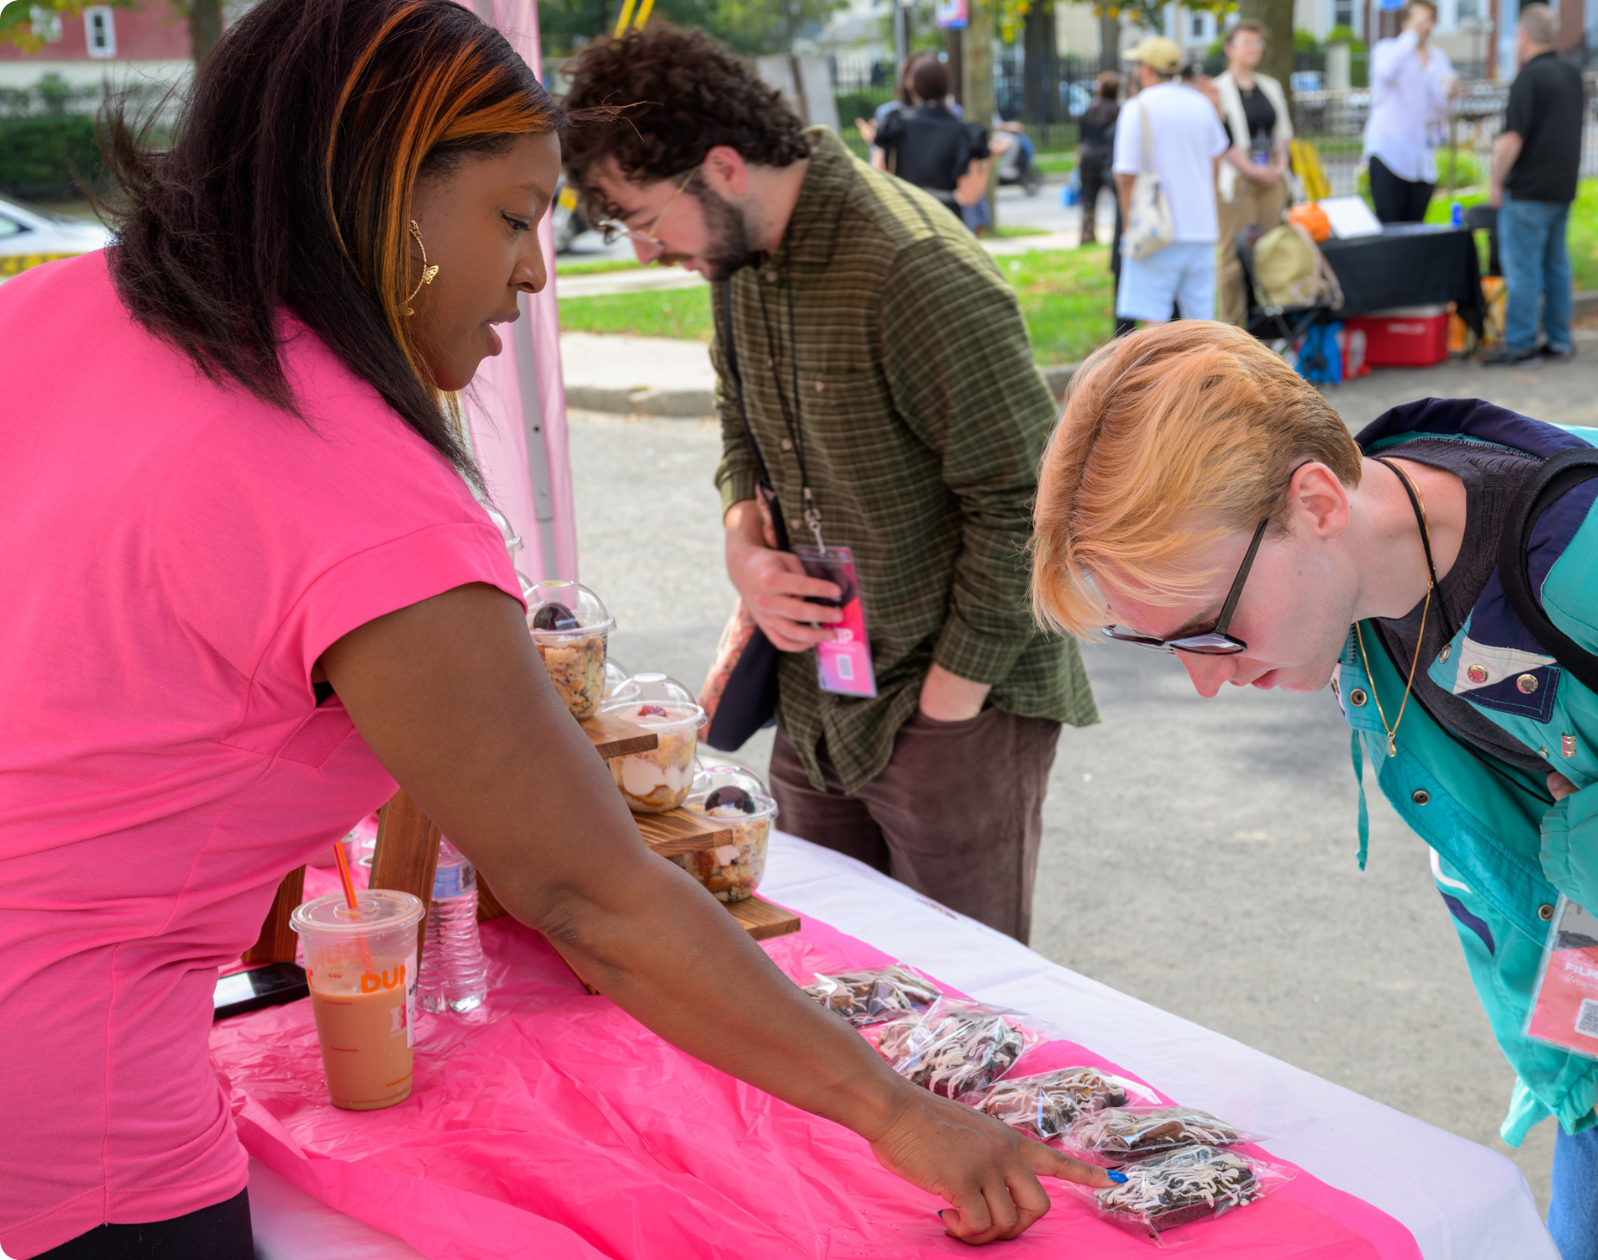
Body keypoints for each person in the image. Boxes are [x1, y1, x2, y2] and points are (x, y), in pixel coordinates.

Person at [0, 2, 1115, 1255]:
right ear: (378, 192)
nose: (536, 276)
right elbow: (591, 895)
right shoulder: (357, 490)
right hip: (67, 1085)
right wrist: (899, 1114)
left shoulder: (48, 309)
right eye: (515, 218)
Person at [1031, 319, 1598, 1260]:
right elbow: (1509, 880)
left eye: (1211, 630)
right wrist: (1581, 1080)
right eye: (1168, 648)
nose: (1205, 680)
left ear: (1315, 498)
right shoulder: (1364, 584)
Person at [560, 25, 1096, 947]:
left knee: (963, 999)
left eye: (644, 219)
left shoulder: (912, 265)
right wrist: (744, 549)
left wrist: (946, 709)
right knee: (819, 966)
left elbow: (1027, 509)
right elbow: (741, 430)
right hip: (818, 697)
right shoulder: (738, 263)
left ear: (724, 167)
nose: (645, 254)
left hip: (957, 698)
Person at [1484, 3, 1582, 366]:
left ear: (1523, 36)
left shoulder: (1529, 77)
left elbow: (1512, 138)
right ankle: (1559, 339)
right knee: (1556, 265)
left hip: (1527, 192)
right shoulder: (1571, 73)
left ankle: (1522, 344)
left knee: (1523, 269)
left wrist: (1496, 182)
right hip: (1561, 188)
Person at [1112, 35, 1231, 327]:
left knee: (1155, 326)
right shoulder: (1201, 104)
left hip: (1155, 227)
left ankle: (1164, 376)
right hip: (1201, 227)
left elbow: (1125, 176)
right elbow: (1216, 160)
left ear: (1148, 69)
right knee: (1202, 325)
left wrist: (1129, 226)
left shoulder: (1136, 107)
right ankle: (1207, 375)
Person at [1210, 20, 1294, 324]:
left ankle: (1268, 327)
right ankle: (1231, 329)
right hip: (1238, 180)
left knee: (1270, 251)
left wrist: (1279, 168)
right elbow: (1220, 140)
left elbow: (1283, 134)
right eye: (1246, 42)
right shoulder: (1217, 89)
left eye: (1257, 43)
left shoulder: (1270, 85)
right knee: (1233, 256)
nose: (1252, 48)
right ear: (1229, 48)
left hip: (1271, 176)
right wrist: (1250, 170)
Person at [1362, 0, 1454, 224]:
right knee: (1389, 223)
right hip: (1388, 152)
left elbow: (1442, 108)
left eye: (1430, 18)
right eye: (1419, 19)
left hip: (1421, 157)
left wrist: (1450, 94)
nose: (1425, 25)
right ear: (1405, 22)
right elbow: (1385, 72)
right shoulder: (1387, 49)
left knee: (1415, 225)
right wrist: (1411, 37)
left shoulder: (1439, 58)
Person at [872, 54, 990, 226]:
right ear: (946, 86)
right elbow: (969, 196)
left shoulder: (896, 124)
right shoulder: (963, 132)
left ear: (912, 85)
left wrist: (878, 146)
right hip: (945, 221)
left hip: (907, 218)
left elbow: (879, 178)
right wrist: (988, 162)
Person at [1076, 70, 1120, 245]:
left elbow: (1081, 136)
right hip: (1108, 159)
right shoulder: (1117, 110)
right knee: (1117, 197)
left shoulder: (1089, 109)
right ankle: (1119, 231)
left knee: (1088, 199)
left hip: (1088, 158)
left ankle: (1087, 235)